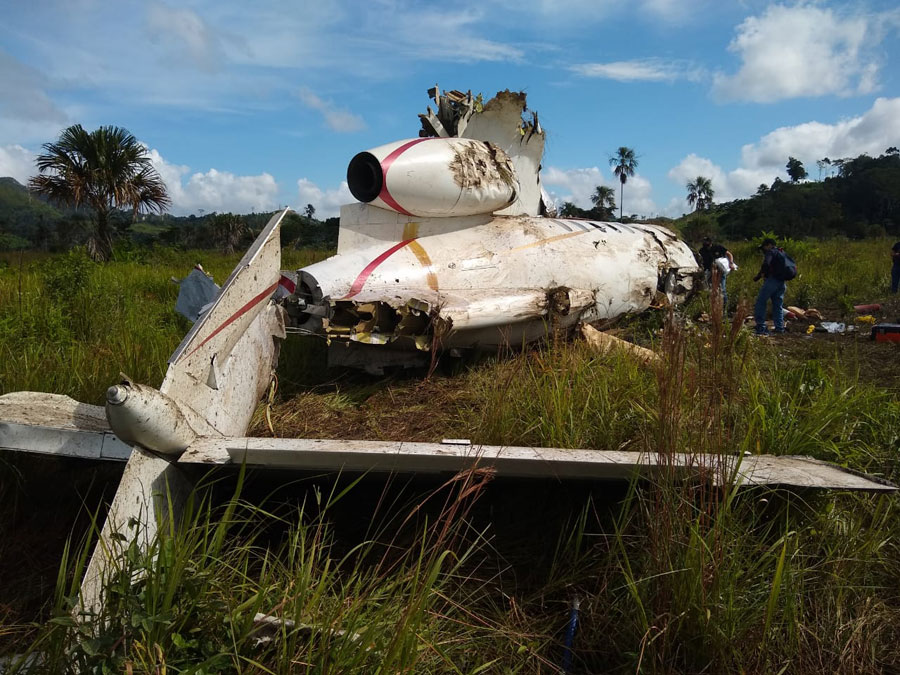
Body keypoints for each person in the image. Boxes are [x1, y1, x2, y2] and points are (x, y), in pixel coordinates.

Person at [753, 238, 787, 335]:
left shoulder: (770, 252)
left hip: (772, 281)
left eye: (764, 247)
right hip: (781, 282)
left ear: (769, 245)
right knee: (777, 305)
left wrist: (762, 274)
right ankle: (779, 328)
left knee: (760, 302)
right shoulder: (781, 252)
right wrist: (757, 277)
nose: (763, 249)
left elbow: (766, 263)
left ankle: (760, 327)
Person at [698, 237, 735, 312]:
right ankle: (713, 307)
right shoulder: (702, 251)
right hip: (709, 271)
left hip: (720, 270)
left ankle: (724, 308)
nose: (706, 244)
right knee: (710, 289)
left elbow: (729, 254)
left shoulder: (718, 247)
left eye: (707, 242)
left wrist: (731, 263)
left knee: (722, 289)